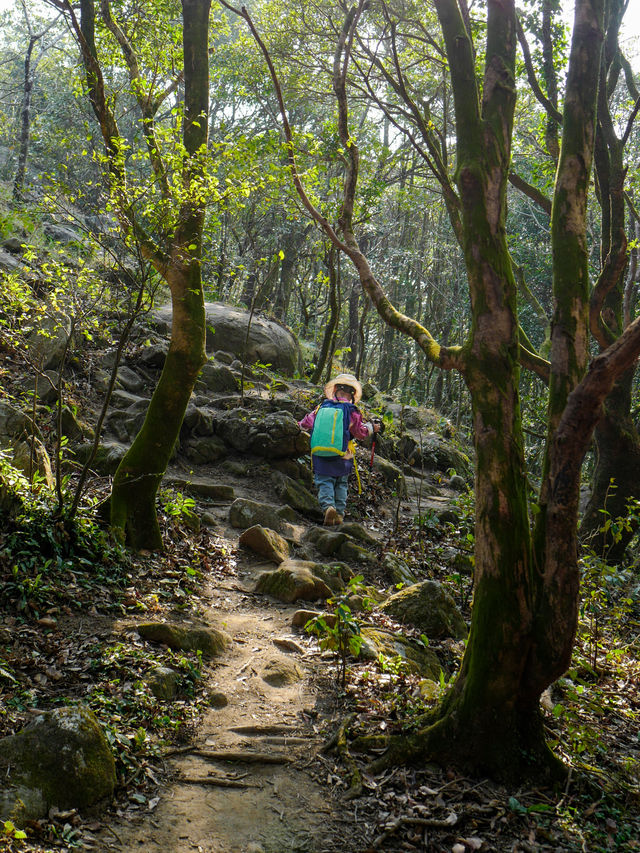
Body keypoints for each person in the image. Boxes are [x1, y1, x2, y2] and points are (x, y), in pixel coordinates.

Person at [298, 373, 381, 526]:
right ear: (353, 395)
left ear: (335, 389)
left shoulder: (321, 406)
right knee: (341, 483)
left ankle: (328, 507)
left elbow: (306, 423)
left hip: (320, 453)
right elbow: (360, 433)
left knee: (324, 481)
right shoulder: (352, 411)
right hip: (344, 454)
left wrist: (297, 425)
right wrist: (371, 428)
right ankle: (340, 514)